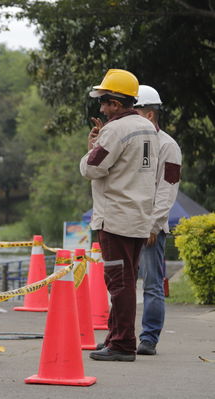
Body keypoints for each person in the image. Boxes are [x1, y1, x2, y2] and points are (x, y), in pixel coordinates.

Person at [80, 69, 159, 362]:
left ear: (115, 102)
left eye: (104, 102)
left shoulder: (115, 130)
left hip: (115, 218)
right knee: (126, 279)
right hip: (138, 216)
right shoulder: (148, 128)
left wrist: (91, 148)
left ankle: (123, 343)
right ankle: (115, 337)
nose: (101, 108)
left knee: (119, 283)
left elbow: (92, 168)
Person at [134, 85, 182, 355]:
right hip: (128, 224)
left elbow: (167, 189)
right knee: (124, 284)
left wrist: (153, 224)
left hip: (151, 227)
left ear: (149, 115)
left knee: (152, 284)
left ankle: (149, 338)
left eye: (135, 111)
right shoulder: (137, 143)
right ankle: (119, 337)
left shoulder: (168, 147)